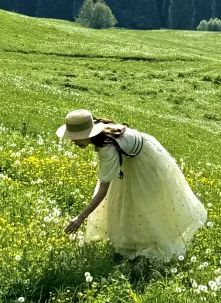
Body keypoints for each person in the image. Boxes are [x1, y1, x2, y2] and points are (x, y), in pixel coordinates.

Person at [58, 109, 207, 262]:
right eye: (72, 137)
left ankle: (150, 243)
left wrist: (81, 217)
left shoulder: (107, 148)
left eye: (76, 138)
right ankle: (130, 242)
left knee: (143, 205)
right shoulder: (99, 130)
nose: (73, 142)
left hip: (145, 162)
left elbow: (103, 189)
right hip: (134, 156)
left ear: (88, 133)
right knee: (125, 203)